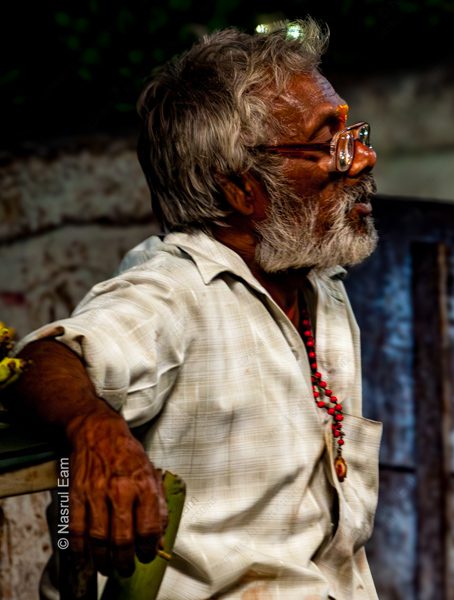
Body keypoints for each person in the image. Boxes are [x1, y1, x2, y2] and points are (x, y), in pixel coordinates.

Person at [11, 18, 381, 599]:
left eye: (352, 133)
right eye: (328, 142)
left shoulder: (319, 283)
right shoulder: (177, 289)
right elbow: (45, 357)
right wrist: (93, 427)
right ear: (241, 189)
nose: (361, 158)